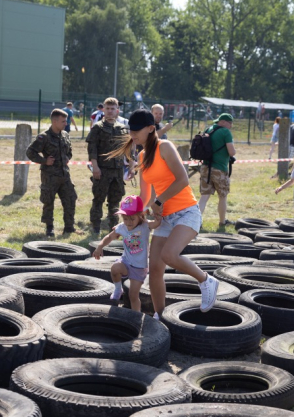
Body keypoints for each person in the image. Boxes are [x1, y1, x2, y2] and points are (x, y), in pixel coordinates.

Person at [108, 109, 220, 317]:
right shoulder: (141, 156)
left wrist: (160, 200)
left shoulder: (165, 147)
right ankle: (161, 316)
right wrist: (131, 216)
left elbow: (182, 180)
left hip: (186, 213)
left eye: (136, 131)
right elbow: (145, 195)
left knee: (169, 255)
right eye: (130, 131)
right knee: (155, 270)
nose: (132, 135)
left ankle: (206, 280)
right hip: (164, 218)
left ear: (151, 129)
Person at [92, 195, 162, 311]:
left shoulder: (145, 225)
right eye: (125, 218)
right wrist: (100, 247)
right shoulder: (121, 227)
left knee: (133, 296)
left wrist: (158, 218)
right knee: (115, 268)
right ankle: (118, 289)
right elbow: (109, 237)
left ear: (140, 215)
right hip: (126, 262)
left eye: (132, 218)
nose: (128, 222)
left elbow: (156, 224)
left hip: (139, 267)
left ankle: (136, 317)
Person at [26, 109, 81, 237]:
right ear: (54, 121)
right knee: (48, 201)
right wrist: (44, 161)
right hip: (50, 175)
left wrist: (68, 157)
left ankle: (69, 227)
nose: (66, 123)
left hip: (64, 174)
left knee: (70, 199)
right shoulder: (44, 137)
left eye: (66, 121)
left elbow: (69, 151)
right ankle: (49, 228)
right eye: (63, 121)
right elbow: (30, 152)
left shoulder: (65, 135)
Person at [86, 97, 129, 235]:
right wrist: (95, 167)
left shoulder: (122, 128)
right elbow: (92, 148)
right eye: (108, 108)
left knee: (115, 201)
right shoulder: (98, 127)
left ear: (117, 110)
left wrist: (131, 165)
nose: (110, 111)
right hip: (103, 170)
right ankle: (96, 227)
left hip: (117, 171)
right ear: (103, 109)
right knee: (98, 199)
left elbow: (126, 149)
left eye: (113, 109)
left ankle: (113, 228)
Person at [197, 113, 237, 227]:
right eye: (230, 123)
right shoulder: (225, 132)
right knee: (223, 196)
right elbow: (231, 152)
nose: (231, 126)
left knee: (204, 197)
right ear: (224, 122)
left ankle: (197, 222)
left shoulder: (208, 129)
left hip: (205, 167)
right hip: (219, 169)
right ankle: (222, 222)